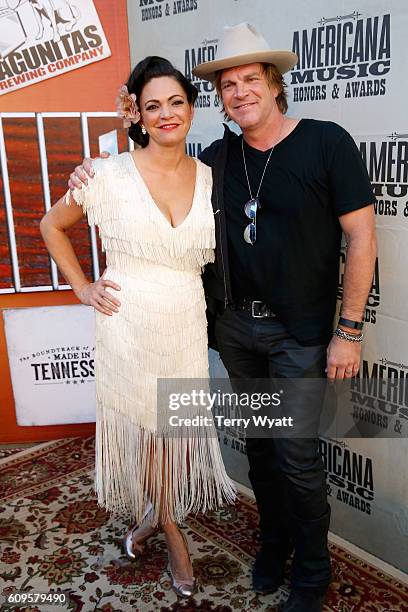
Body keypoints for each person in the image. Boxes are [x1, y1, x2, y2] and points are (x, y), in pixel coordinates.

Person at [69, 24, 377, 612]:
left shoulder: (326, 142)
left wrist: (350, 330)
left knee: (299, 459)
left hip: (300, 335)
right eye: (227, 84)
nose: (238, 93)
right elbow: (152, 165)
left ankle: (312, 573)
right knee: (260, 450)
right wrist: (96, 164)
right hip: (237, 331)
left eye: (249, 80)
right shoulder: (216, 159)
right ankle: (273, 544)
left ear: (274, 84)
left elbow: (362, 239)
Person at [40, 55, 236, 599]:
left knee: (172, 431)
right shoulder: (106, 174)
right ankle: (171, 528)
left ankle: (156, 511)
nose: (167, 114)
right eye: (153, 105)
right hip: (127, 322)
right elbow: (51, 225)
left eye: (176, 102)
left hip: (183, 320)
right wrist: (83, 288)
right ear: (137, 115)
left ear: (192, 110)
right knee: (148, 432)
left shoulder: (211, 176)